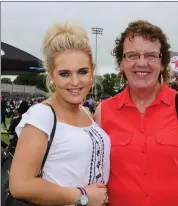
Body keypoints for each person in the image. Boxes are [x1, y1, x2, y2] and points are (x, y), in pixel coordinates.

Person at [94, 20, 178, 206]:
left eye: (151, 55)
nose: (142, 63)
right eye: (132, 55)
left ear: (162, 62)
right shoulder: (103, 111)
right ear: (121, 63)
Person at [9, 22, 110, 206]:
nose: (75, 81)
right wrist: (82, 196)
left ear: (92, 71)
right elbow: (20, 185)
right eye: (64, 73)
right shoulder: (42, 115)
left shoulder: (86, 112)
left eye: (82, 72)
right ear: (51, 76)